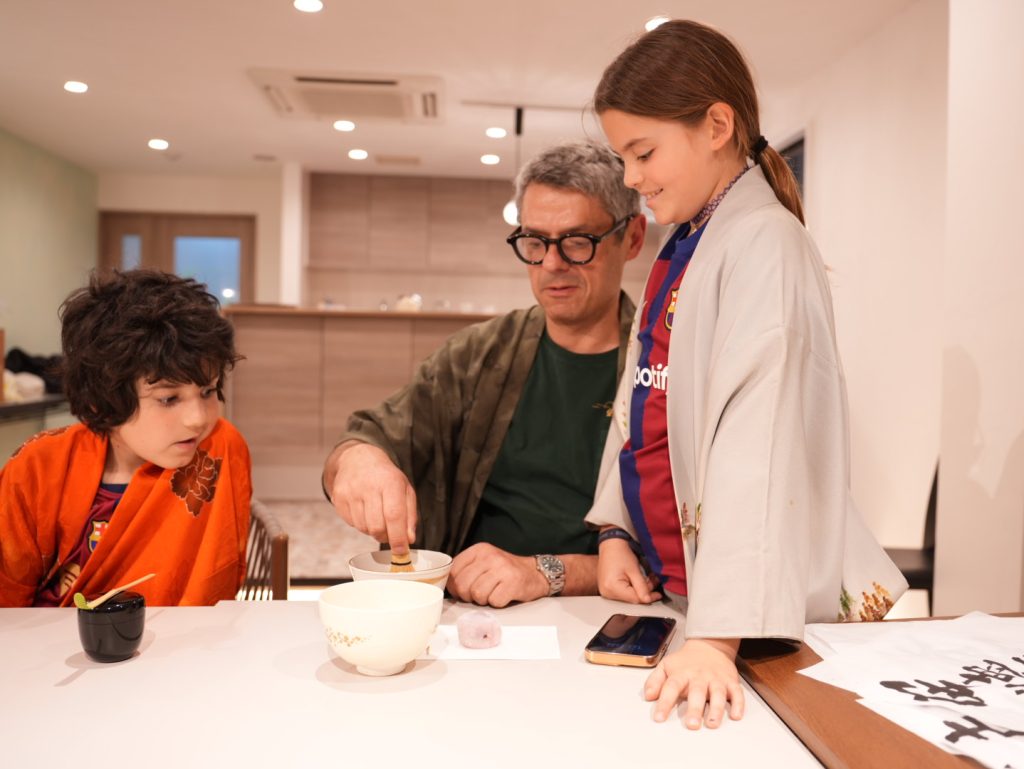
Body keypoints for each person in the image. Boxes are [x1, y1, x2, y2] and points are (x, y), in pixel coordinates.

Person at [588, 20, 908, 730]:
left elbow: (756, 445)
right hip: (692, 599)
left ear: (716, 125)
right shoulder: (688, 241)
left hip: (747, 622)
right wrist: (616, 529)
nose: (632, 178)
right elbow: (640, 398)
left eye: (643, 153)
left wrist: (717, 635)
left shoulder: (765, 242)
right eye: (624, 158)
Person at [323, 140, 648, 608]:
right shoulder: (481, 355)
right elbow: (369, 435)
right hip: (473, 615)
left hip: (603, 614)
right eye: (534, 242)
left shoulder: (659, 373)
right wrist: (358, 461)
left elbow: (677, 553)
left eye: (578, 242)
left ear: (632, 238)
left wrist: (545, 572)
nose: (552, 265)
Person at [0, 269, 252, 607]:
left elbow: (216, 583)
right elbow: (7, 602)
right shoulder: (39, 468)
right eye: (168, 399)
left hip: (183, 649)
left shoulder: (219, 447)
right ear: (102, 398)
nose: (199, 419)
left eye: (208, 391)